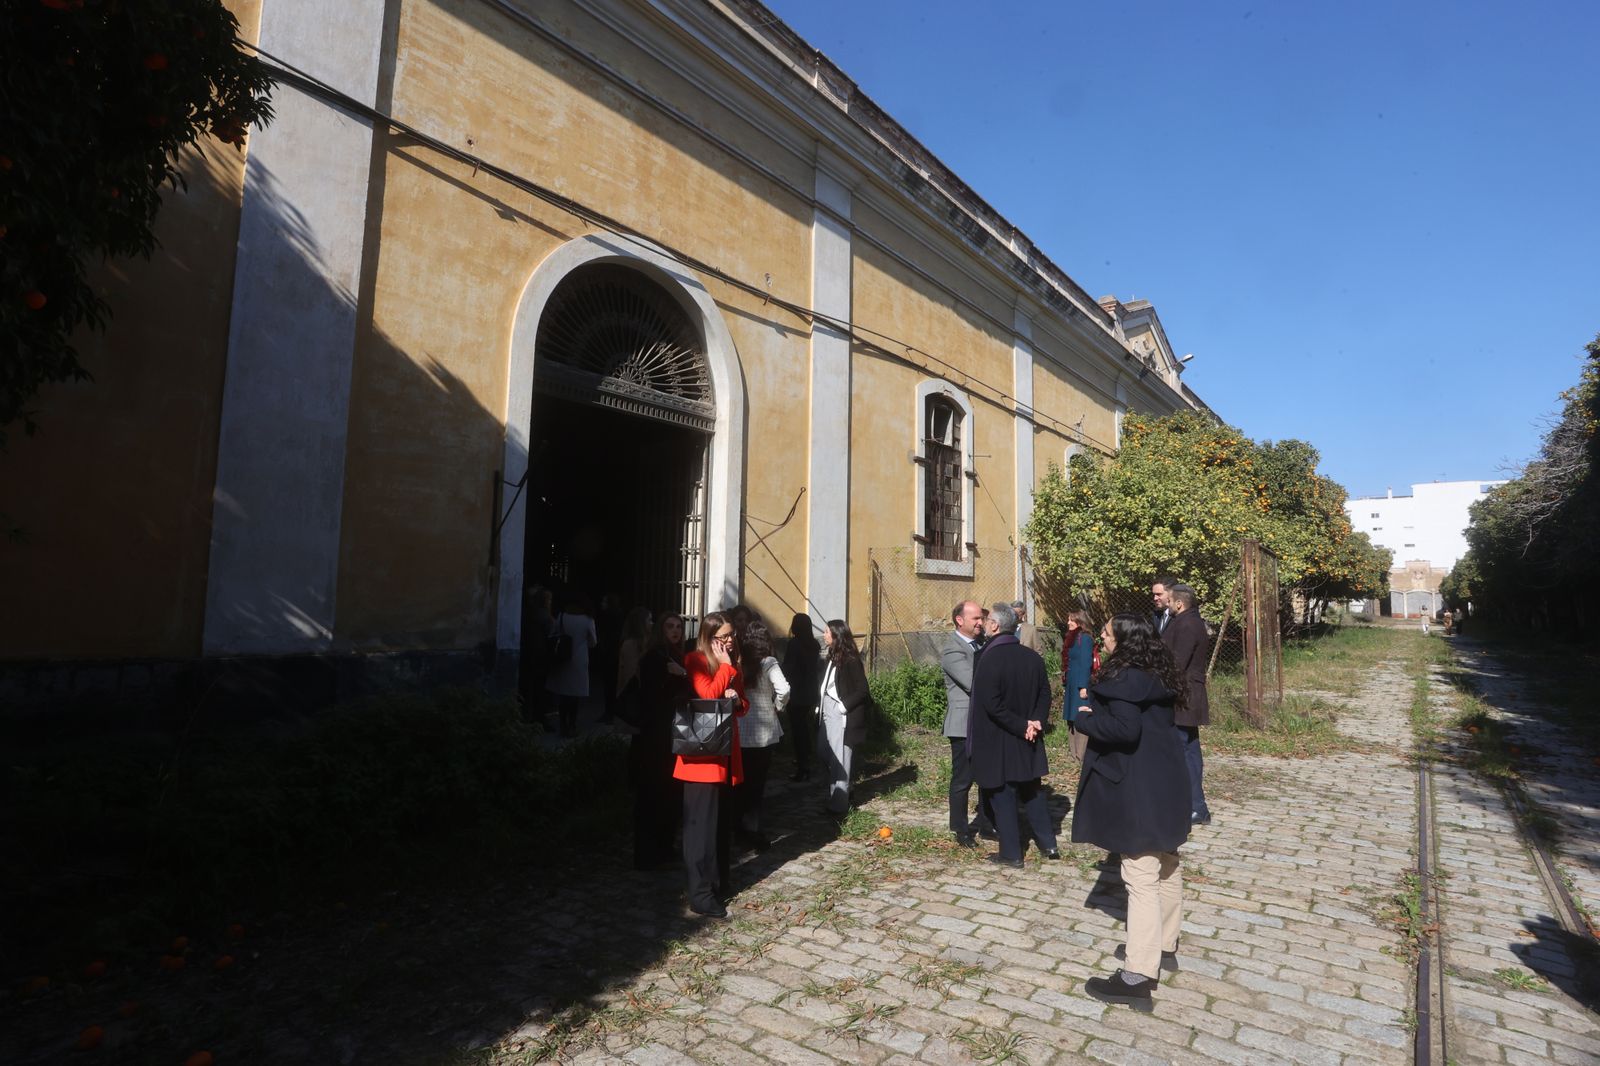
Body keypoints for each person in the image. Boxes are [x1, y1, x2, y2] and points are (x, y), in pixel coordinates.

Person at [1072, 614, 1191, 1011]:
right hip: (1167, 778)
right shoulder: (1159, 673)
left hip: (1137, 785)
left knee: (1140, 874)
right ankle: (1163, 945)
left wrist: (1087, 718)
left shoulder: (1122, 679)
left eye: (1106, 635)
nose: (1102, 639)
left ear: (1123, 641)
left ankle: (1137, 977)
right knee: (1168, 861)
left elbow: (1124, 731)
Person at [968, 603, 1058, 867]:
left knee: (1003, 794)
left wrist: (1022, 726)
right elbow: (1045, 694)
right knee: (1033, 791)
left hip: (1001, 737)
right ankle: (1049, 845)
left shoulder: (987, 658)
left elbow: (992, 704)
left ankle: (1011, 853)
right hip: (1028, 736)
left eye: (987, 621)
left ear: (995, 626)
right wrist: (1036, 722)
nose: (983, 624)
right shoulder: (1032, 657)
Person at [675, 613, 748, 918]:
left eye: (732, 635)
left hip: (725, 756)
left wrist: (735, 696)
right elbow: (706, 694)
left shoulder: (732, 664)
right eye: (724, 636)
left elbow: (742, 706)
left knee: (719, 827)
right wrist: (727, 672)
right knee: (700, 830)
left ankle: (717, 882)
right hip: (701, 760)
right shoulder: (694, 659)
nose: (730, 640)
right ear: (710, 637)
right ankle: (700, 894)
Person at [630, 612, 690, 870]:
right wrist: (681, 676)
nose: (675, 630)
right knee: (653, 794)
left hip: (671, 735)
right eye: (669, 626)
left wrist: (683, 674)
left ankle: (664, 847)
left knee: (670, 794)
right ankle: (648, 853)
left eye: (678, 626)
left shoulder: (676, 656)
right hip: (655, 737)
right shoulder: (656, 657)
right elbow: (654, 699)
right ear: (660, 630)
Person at [942, 600, 996, 847]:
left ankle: (987, 825)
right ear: (959, 620)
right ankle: (961, 830)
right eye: (975, 618)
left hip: (984, 722)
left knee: (987, 777)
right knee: (962, 780)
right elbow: (974, 683)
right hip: (963, 724)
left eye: (981, 618)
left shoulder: (982, 644)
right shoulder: (953, 650)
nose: (980, 622)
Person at [734, 620, 788, 852]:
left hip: (739, 729)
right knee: (757, 784)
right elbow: (784, 689)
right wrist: (777, 705)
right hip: (763, 733)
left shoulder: (739, 662)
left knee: (739, 782)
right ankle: (752, 829)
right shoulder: (769, 662)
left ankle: (736, 827)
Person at [1160, 585, 1212, 826]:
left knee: (1184, 750)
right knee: (1188, 749)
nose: (1166, 604)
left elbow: (1177, 663)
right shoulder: (1188, 621)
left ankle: (1196, 806)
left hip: (1184, 697)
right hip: (1185, 696)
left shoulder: (1187, 624)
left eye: (1169, 600)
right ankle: (1193, 804)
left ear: (1179, 603)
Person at [818, 619, 869, 816]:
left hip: (842, 715)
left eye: (826, 632)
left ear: (837, 635)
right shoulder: (832, 656)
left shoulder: (851, 660)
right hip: (826, 711)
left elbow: (862, 690)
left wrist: (842, 707)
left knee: (840, 758)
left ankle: (839, 805)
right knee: (823, 751)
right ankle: (847, 789)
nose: (824, 635)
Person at [545, 594, 599, 738]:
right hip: (579, 659)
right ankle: (572, 725)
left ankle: (562, 724)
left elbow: (553, 633)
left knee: (563, 694)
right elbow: (593, 642)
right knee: (575, 695)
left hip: (563, 658)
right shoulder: (588, 620)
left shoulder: (562, 616)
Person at [781, 614, 822, 782]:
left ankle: (803, 766)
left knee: (798, 731)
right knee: (806, 729)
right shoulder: (814, 644)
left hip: (797, 693)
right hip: (811, 691)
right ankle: (807, 760)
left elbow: (789, 669)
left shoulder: (794, 644)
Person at [1061, 609, 1095, 761]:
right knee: (1070, 717)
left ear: (1080, 622)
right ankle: (1073, 753)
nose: (1068, 622)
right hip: (1071, 683)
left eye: (1071, 620)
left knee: (1080, 717)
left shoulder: (1085, 638)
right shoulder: (1072, 637)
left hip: (1079, 684)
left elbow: (1086, 663)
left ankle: (1080, 755)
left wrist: (1083, 687)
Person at [614, 606, 652, 727]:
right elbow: (631, 674)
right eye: (649, 620)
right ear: (641, 623)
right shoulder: (631, 644)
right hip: (635, 695)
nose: (652, 623)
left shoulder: (646, 641)